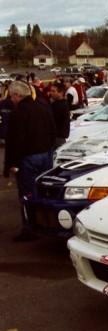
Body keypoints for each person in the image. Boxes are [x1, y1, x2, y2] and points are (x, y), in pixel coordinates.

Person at [5, 80, 56, 240]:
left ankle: (30, 228)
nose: (11, 100)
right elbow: (52, 131)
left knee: (27, 194)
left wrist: (11, 164)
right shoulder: (43, 107)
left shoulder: (19, 112)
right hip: (45, 155)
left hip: (28, 158)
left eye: (12, 96)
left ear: (17, 95)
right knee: (44, 192)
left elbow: (14, 141)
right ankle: (47, 224)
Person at [49, 81, 71, 149]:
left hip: (57, 138)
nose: (51, 93)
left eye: (53, 91)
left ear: (61, 93)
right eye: (51, 91)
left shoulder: (59, 106)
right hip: (58, 138)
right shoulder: (61, 103)